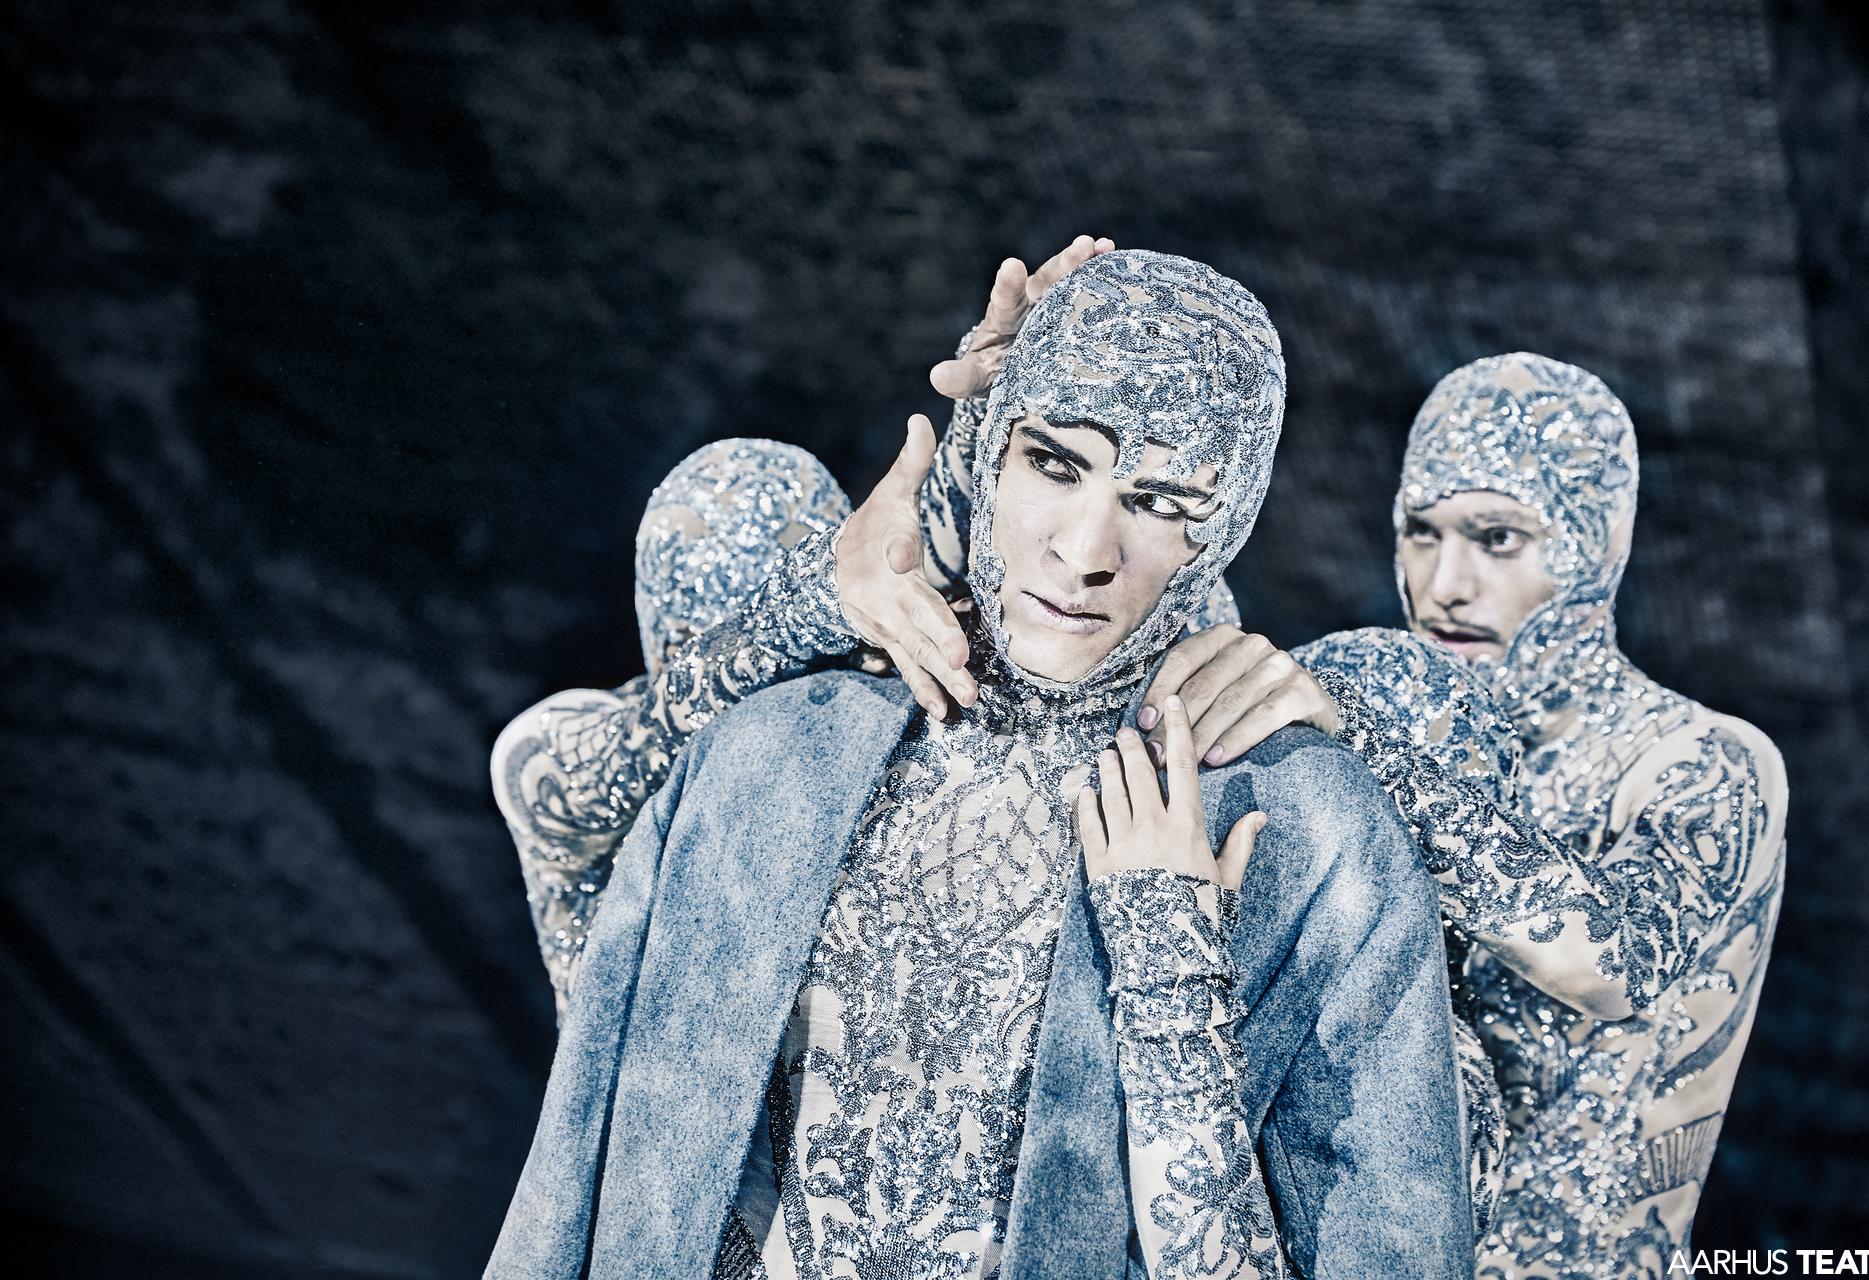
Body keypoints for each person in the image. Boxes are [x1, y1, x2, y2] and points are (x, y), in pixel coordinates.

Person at [486, 250, 1474, 1279]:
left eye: (1162, 500)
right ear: (990, 449)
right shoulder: (774, 754)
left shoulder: (1308, 826)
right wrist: (820, 598)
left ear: (1225, 526)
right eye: (1053, 462)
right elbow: (578, 1203)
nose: (1085, 550)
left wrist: (1171, 979)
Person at [1209, 354, 1788, 1278]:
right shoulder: (1387, 713)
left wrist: (1363, 748)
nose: (1447, 583)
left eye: (1499, 538)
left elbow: (1615, 962)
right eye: (1422, 532)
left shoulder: (1705, 761)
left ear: (1595, 543)